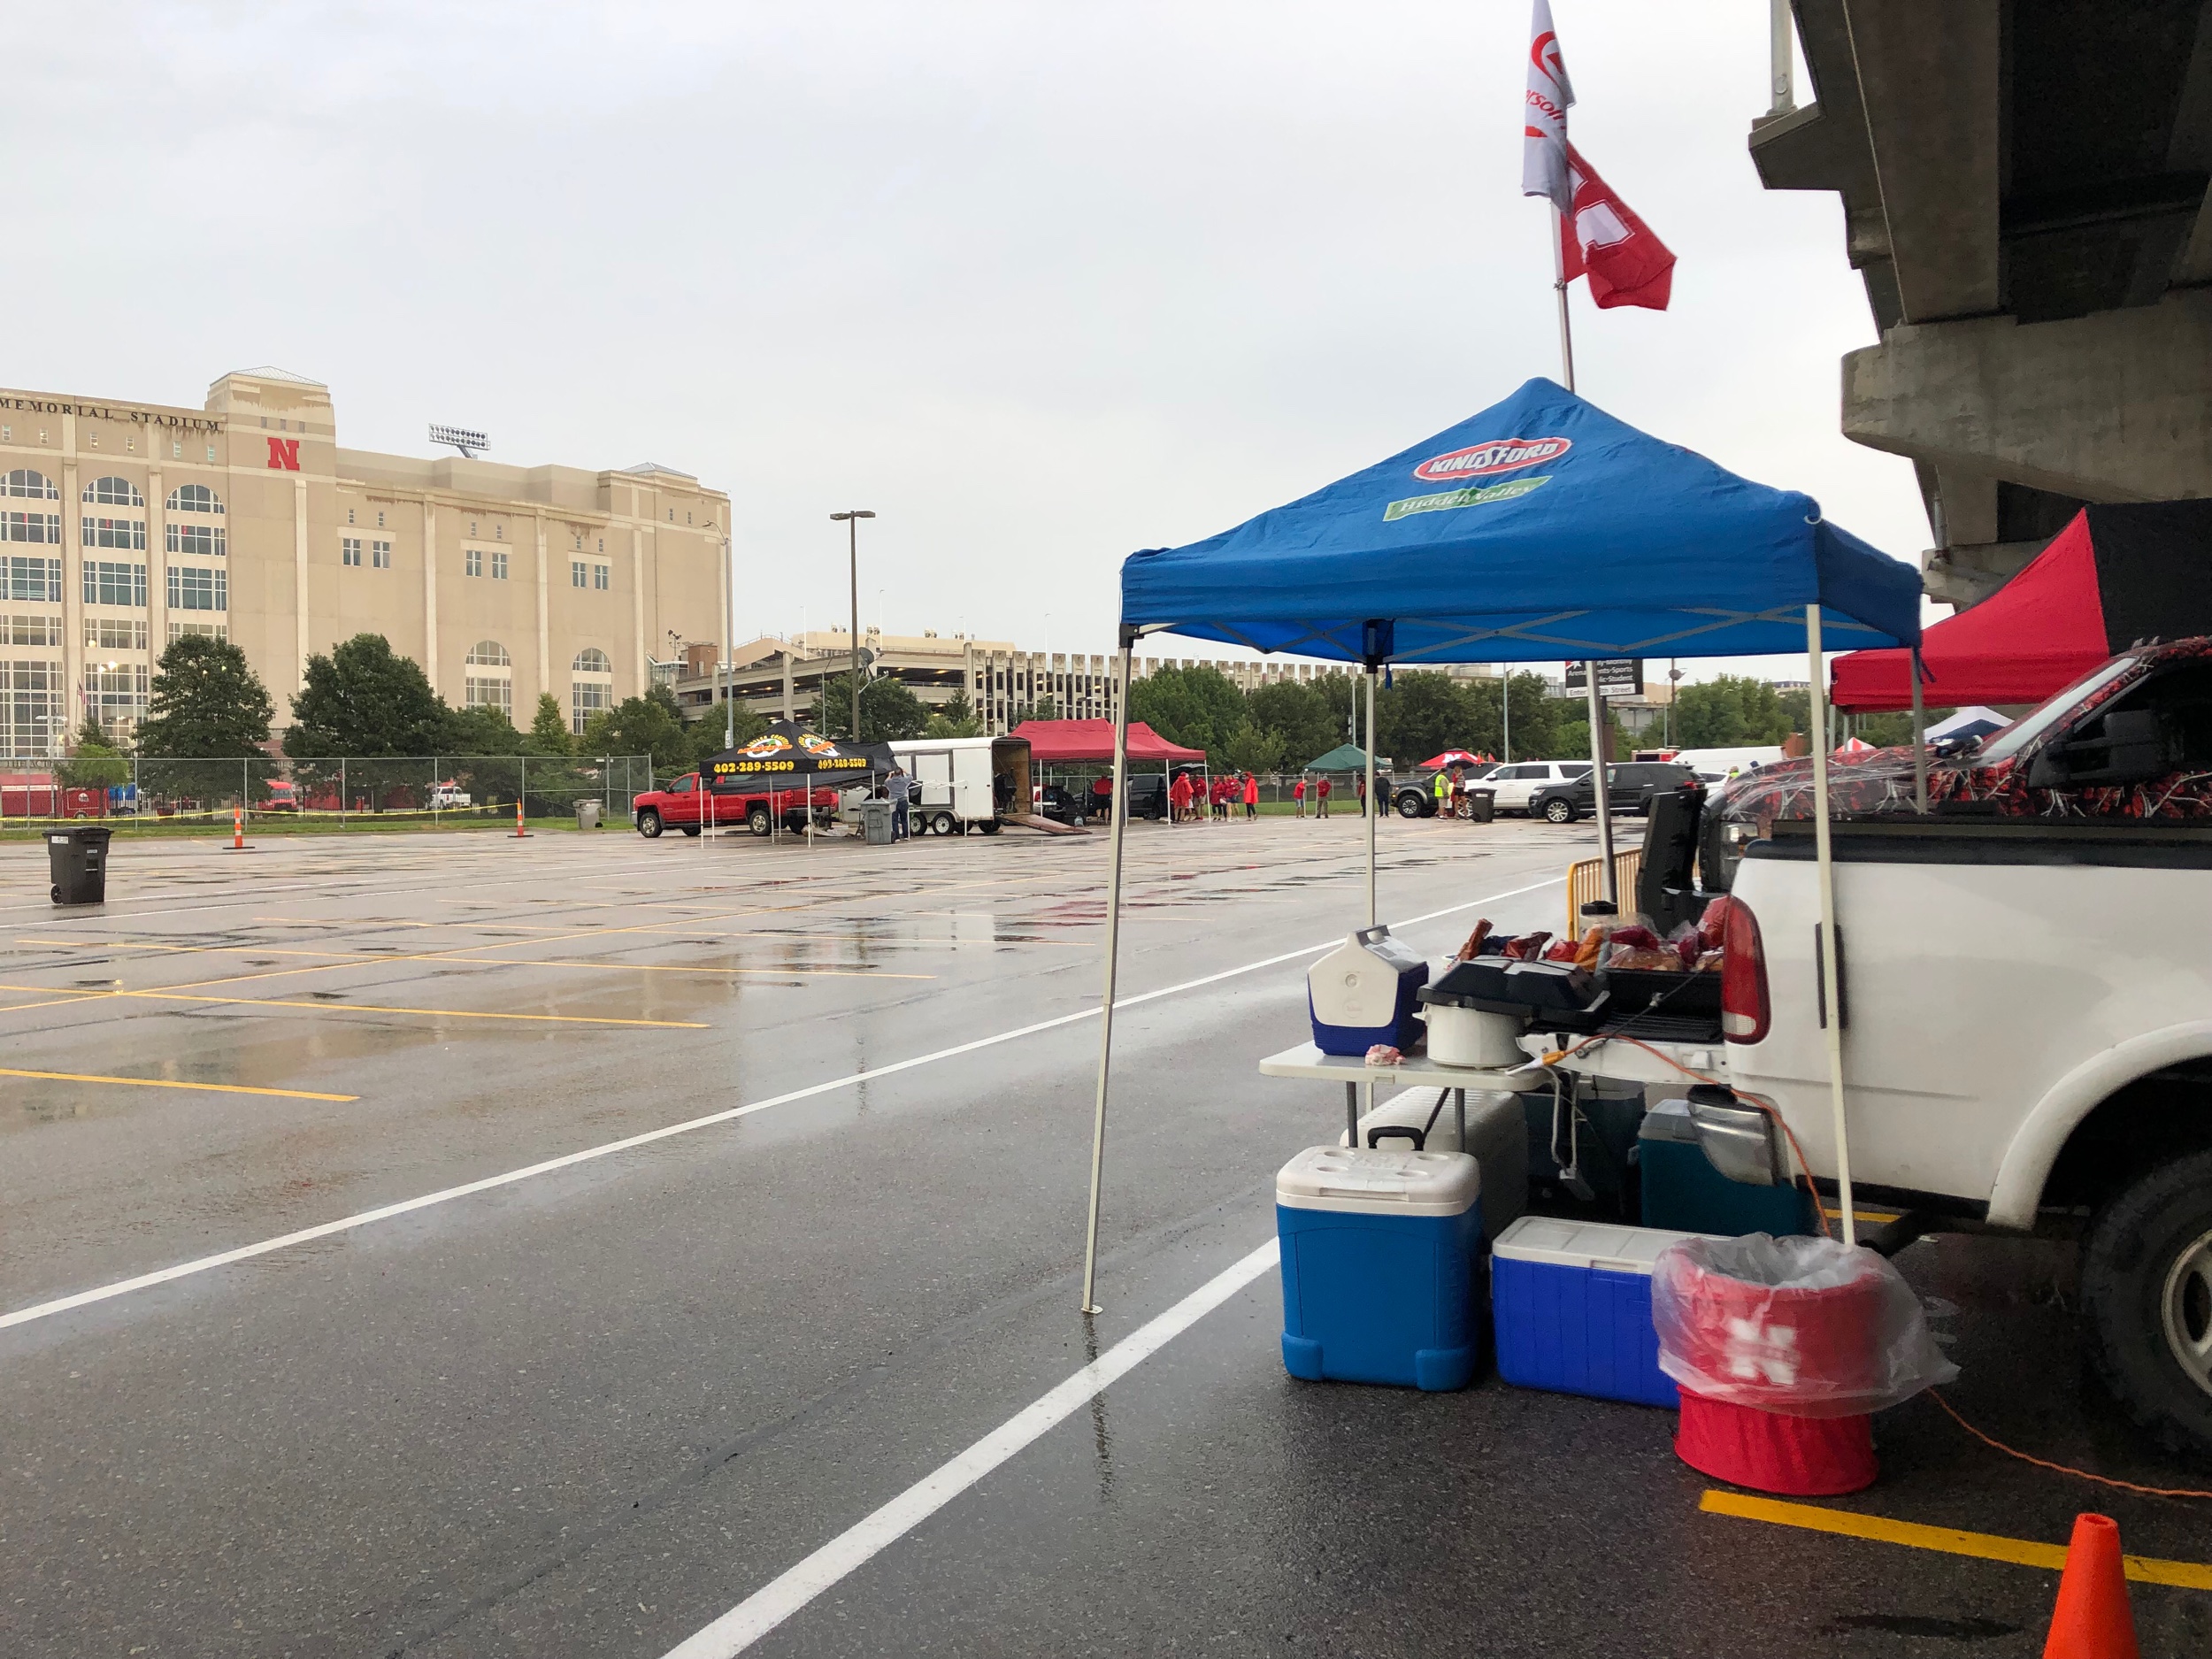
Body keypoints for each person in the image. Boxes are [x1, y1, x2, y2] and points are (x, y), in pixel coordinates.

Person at [887, 766, 910, 841]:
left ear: (894, 773)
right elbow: (911, 777)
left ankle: (897, 837)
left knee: (894, 820)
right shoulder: (904, 780)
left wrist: (889, 775)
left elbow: (885, 782)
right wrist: (905, 771)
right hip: (903, 801)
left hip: (894, 802)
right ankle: (906, 836)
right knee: (904, 819)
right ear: (901, 773)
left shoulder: (890, 782)